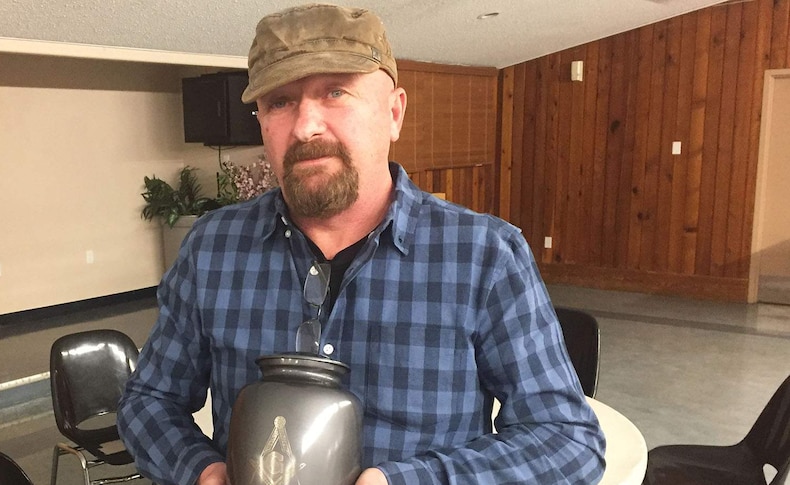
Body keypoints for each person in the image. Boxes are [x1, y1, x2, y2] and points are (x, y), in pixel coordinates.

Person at [117, 3, 606, 485]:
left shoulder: (484, 256)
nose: (305, 126)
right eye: (279, 102)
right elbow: (149, 401)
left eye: (335, 92)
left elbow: (566, 440)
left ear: (393, 114)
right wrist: (201, 471)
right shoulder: (212, 249)